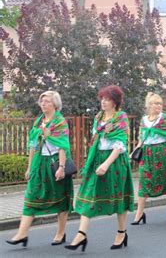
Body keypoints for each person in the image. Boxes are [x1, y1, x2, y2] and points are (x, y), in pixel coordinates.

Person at [66, 85, 134, 251]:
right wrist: (96, 161)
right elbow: (97, 139)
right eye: (102, 98)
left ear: (115, 102)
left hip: (115, 161)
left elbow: (120, 144)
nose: (103, 102)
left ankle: (121, 232)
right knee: (87, 194)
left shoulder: (121, 118)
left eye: (108, 99)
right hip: (98, 159)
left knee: (119, 198)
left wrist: (106, 163)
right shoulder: (99, 117)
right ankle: (81, 234)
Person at [6, 91, 73, 247]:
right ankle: (22, 234)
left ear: (55, 105)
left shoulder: (60, 122)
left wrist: (62, 167)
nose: (43, 104)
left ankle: (60, 233)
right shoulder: (38, 122)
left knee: (61, 200)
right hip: (39, 164)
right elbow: (33, 146)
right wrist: (30, 166)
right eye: (42, 101)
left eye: (47, 101)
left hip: (55, 164)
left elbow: (62, 146)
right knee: (30, 198)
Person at [131, 93, 166, 225]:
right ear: (149, 105)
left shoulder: (165, 120)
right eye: (156, 103)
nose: (159, 106)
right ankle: (139, 212)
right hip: (147, 154)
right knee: (144, 181)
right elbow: (141, 139)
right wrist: (134, 151)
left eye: (160, 103)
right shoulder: (144, 120)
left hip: (163, 153)